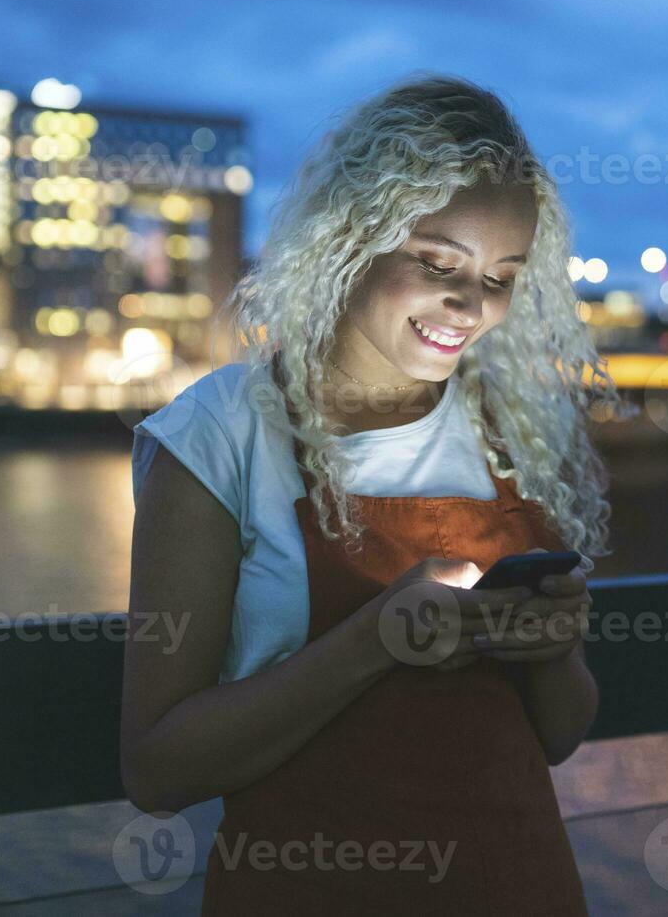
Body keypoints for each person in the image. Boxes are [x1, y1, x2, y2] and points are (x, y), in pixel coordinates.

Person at [121, 73, 627, 914]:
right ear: (349, 238)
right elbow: (157, 769)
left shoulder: (509, 432)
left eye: (502, 276)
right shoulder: (222, 435)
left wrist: (555, 648)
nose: (471, 307)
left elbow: (561, 733)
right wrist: (373, 641)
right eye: (438, 264)